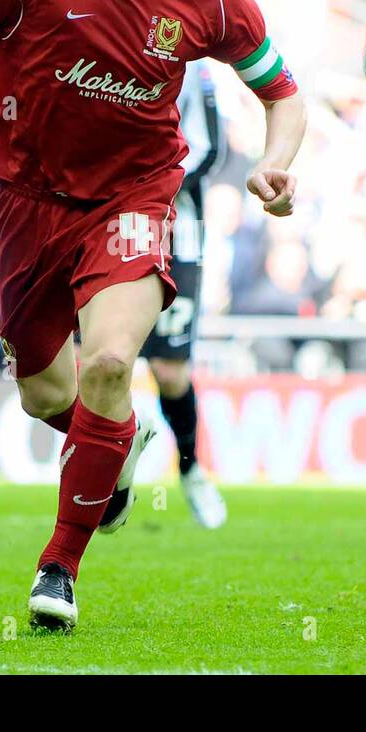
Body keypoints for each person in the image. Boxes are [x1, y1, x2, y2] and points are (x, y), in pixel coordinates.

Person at [0, 0, 304, 630]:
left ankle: (58, 568)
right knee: (43, 394)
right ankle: (116, 444)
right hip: (28, 198)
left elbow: (284, 94)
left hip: (134, 197)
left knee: (106, 362)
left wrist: (275, 164)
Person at [139, 60, 227, 528]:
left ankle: (191, 469)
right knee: (90, 359)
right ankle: (106, 477)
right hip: (100, 223)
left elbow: (212, 147)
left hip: (178, 231)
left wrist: (151, 182)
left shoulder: (191, 56)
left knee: (169, 370)